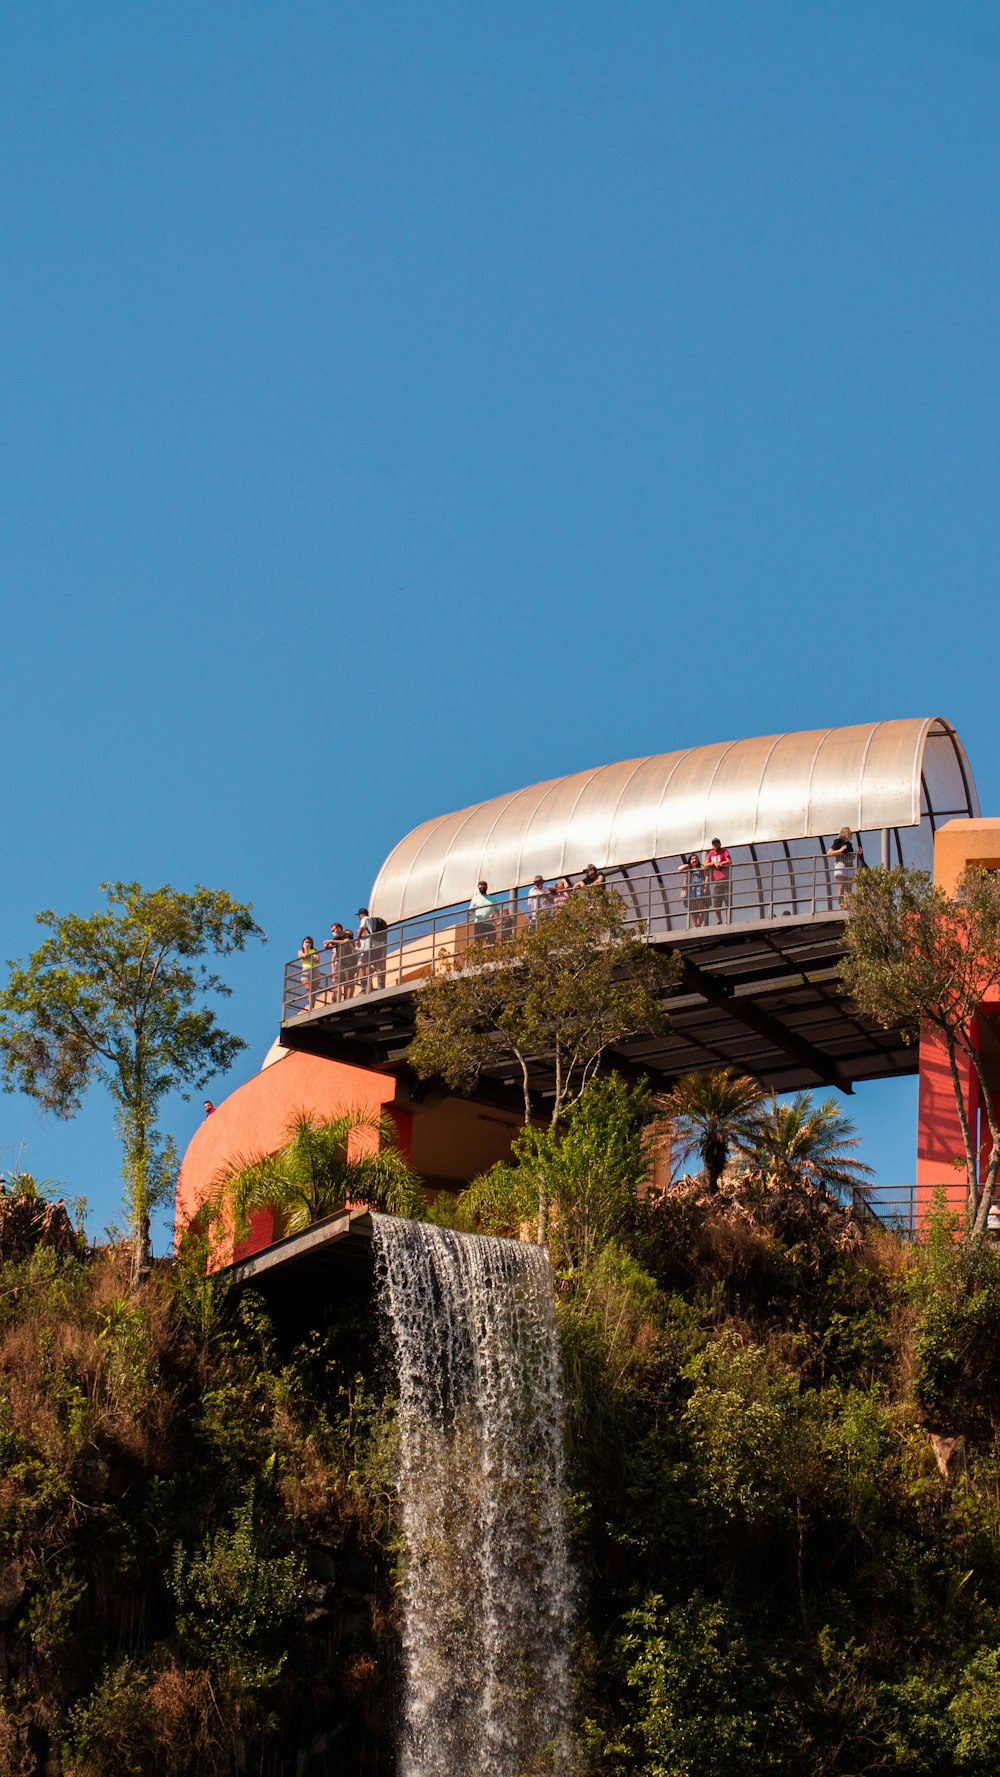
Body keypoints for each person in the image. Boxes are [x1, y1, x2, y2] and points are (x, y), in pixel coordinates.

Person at [705, 838, 732, 924]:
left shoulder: (724, 851)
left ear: (720, 844)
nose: (715, 845)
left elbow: (729, 861)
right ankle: (719, 920)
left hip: (726, 879)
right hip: (717, 881)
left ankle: (728, 920)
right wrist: (714, 864)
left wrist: (721, 863)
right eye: (714, 844)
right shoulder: (711, 853)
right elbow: (705, 864)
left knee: (728, 901)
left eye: (717, 843)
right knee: (716, 902)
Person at [829, 827, 856, 909]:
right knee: (841, 886)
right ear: (846, 833)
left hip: (849, 865)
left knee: (849, 887)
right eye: (850, 833)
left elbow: (852, 856)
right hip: (841, 865)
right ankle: (840, 906)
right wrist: (839, 850)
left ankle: (849, 906)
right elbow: (829, 852)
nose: (851, 835)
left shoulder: (849, 844)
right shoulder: (838, 841)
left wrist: (857, 853)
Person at [298, 936, 320, 1007]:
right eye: (306, 942)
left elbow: (317, 960)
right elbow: (303, 956)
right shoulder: (300, 951)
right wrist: (306, 950)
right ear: (303, 943)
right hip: (306, 970)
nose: (307, 944)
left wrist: (307, 956)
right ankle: (309, 1005)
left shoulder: (315, 950)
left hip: (315, 970)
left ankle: (312, 1007)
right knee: (308, 989)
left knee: (313, 992)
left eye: (309, 942)